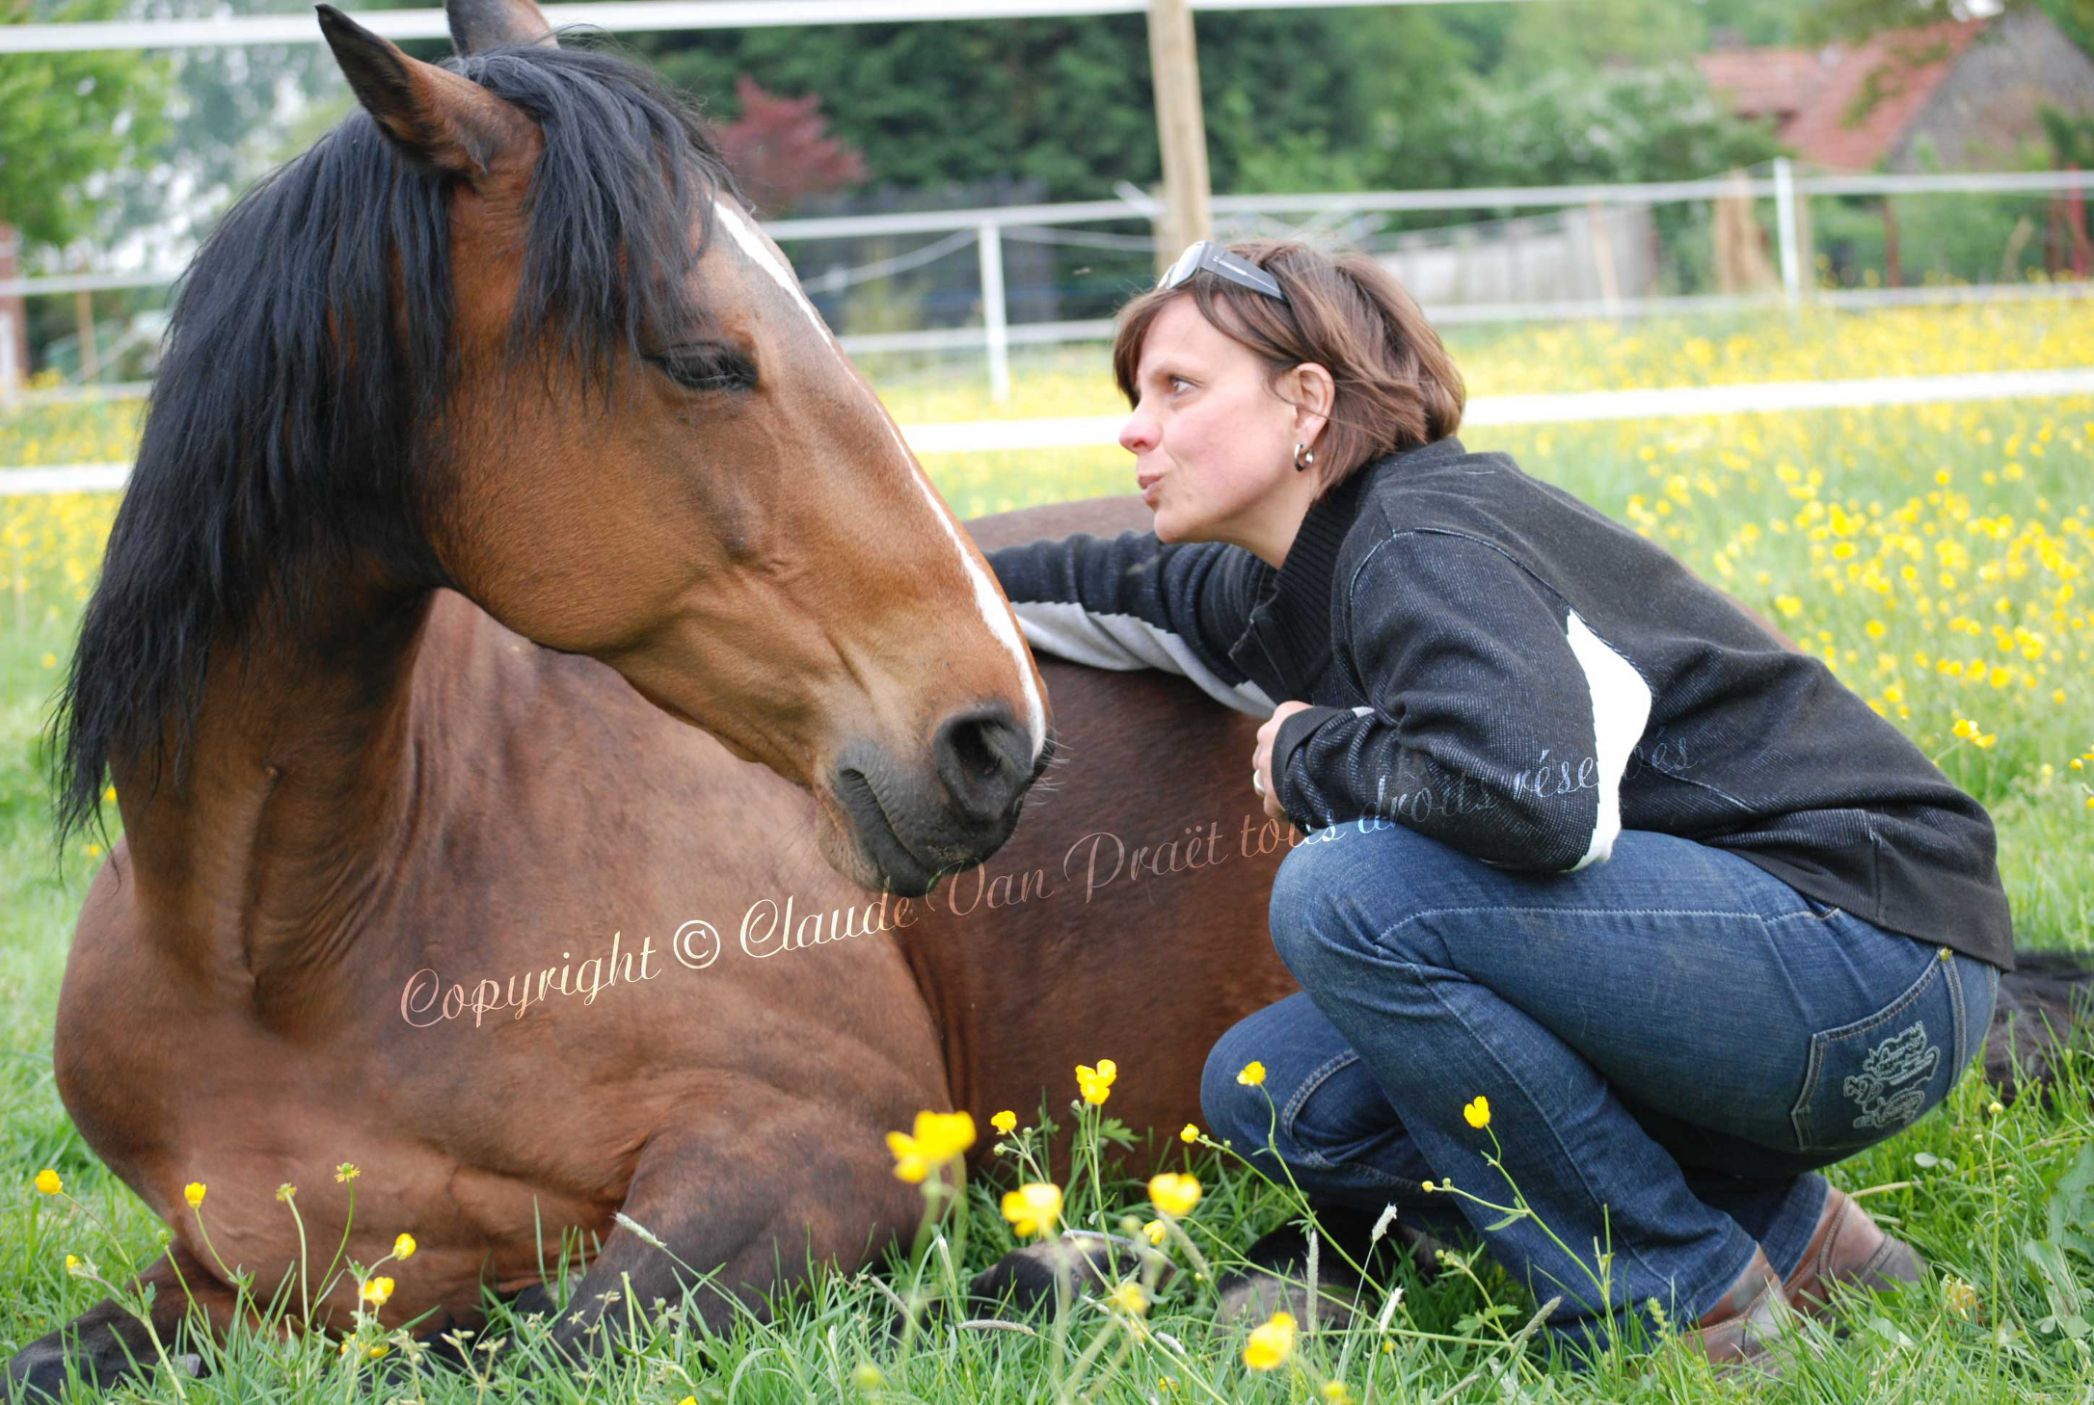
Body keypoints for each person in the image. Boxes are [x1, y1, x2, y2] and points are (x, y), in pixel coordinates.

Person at [982, 238, 2012, 1370]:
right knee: (1271, 1088)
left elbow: (1539, 802)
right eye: (1136, 396)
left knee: (1344, 891)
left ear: (1306, 401)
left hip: (1873, 965)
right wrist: (886, 581)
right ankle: (1799, 1240)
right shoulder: (1289, 580)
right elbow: (1095, 581)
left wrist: (1317, 754)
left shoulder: (1422, 538)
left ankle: (1678, 1303)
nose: (1136, 429)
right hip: (1778, 993)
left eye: (1178, 387)